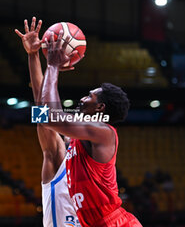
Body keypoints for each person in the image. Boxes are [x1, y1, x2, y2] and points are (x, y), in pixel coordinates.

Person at [37, 29, 143, 227]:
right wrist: (34, 57)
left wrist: (53, 67)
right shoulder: (79, 137)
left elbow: (48, 116)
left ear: (100, 107)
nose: (82, 99)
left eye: (89, 96)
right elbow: (41, 114)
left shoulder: (103, 132)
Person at [15, 17, 79, 227]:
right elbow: (43, 111)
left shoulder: (94, 178)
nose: (67, 129)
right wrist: (34, 56)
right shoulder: (59, 160)